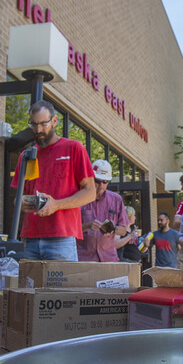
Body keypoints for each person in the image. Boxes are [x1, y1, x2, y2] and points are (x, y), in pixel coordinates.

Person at [16, 101, 96, 261]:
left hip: (62, 238)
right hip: (30, 238)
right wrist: (22, 202)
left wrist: (56, 205)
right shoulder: (26, 156)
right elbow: (18, 198)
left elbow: (90, 192)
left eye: (43, 124)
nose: (38, 130)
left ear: (54, 121)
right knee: (28, 286)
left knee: (61, 287)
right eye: (33, 124)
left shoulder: (74, 148)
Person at [77, 159, 129, 262]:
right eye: (98, 181)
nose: (101, 185)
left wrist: (113, 229)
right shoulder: (80, 197)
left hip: (109, 258)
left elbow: (124, 230)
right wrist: (88, 226)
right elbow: (70, 230)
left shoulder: (116, 199)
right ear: (91, 178)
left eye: (105, 182)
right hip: (84, 258)